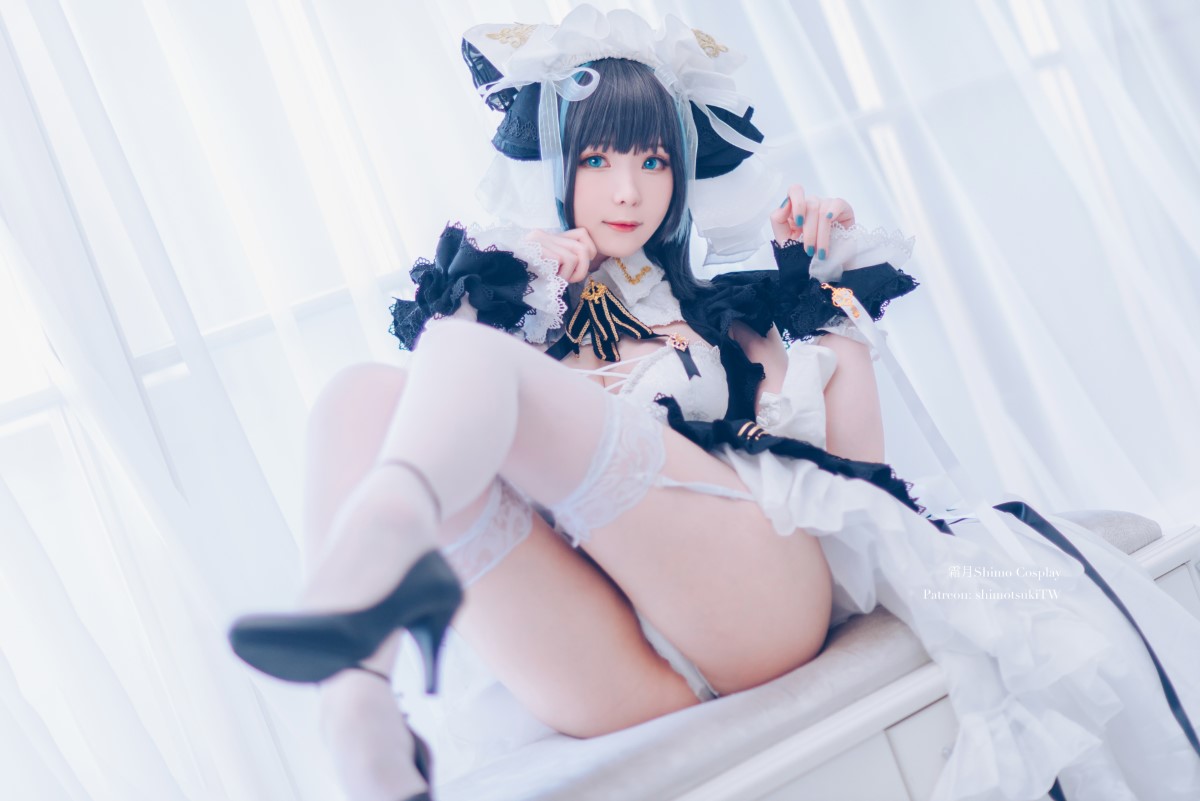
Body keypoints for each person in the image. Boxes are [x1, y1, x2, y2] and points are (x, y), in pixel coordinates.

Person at [228, 6, 1200, 801]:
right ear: (555, 166)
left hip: (757, 606)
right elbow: (455, 373)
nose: (628, 190)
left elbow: (864, 480)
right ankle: (356, 703)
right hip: (615, 668)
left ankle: (379, 553)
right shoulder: (516, 313)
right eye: (599, 161)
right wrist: (527, 293)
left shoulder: (729, 313)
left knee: (464, 362)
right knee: (359, 397)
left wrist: (829, 302)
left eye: (654, 162)